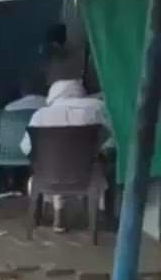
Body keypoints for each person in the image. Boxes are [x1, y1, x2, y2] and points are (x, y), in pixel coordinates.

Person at [20, 79, 110, 232]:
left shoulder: (39, 116)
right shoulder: (95, 110)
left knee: (54, 165)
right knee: (87, 164)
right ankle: (96, 220)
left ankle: (57, 214)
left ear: (53, 95)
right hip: (84, 177)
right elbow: (108, 143)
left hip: (48, 178)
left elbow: (26, 147)